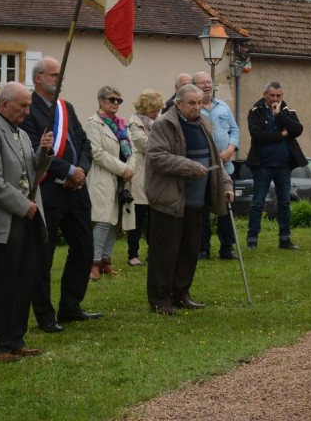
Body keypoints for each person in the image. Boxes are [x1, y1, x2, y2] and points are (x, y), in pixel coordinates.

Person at [0, 82, 53, 363]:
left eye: (29, 105)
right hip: (5, 220)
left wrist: (43, 152)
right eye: (23, 106)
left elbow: (33, 173)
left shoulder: (21, 134)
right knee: (1, 283)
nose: (28, 111)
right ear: (5, 104)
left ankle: (15, 340)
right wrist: (23, 206)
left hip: (28, 218)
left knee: (23, 281)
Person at [21, 57, 102, 333]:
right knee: (43, 255)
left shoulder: (65, 107)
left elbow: (84, 143)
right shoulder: (27, 109)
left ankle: (71, 306)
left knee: (84, 247)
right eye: (53, 75)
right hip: (48, 190)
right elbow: (33, 149)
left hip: (76, 190)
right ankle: (45, 315)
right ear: (38, 79)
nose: (58, 79)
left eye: (60, 75)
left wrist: (80, 170)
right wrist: (67, 170)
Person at [144, 84, 234, 315]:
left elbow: (214, 158)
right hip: (170, 198)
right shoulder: (164, 124)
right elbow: (157, 157)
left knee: (189, 250)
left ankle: (181, 294)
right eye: (192, 103)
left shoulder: (203, 124)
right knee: (165, 252)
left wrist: (225, 184)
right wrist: (191, 167)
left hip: (196, 200)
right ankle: (160, 300)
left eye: (199, 103)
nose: (197, 107)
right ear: (179, 103)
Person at [245, 81, 306, 250]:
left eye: (278, 96)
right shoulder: (255, 112)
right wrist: (281, 134)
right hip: (262, 165)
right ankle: (252, 239)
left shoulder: (288, 111)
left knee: (285, 202)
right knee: (258, 202)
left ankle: (285, 239)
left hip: (283, 166)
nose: (275, 99)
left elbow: (297, 130)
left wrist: (279, 116)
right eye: (272, 95)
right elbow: (257, 136)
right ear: (265, 94)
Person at [84, 85, 136, 280]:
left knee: (115, 221)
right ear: (101, 101)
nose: (116, 104)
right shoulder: (94, 123)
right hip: (103, 177)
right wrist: (123, 169)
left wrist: (130, 167)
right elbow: (96, 153)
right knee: (103, 220)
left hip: (122, 179)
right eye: (112, 100)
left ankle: (106, 261)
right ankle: (94, 262)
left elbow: (132, 151)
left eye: (118, 101)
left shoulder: (122, 125)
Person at [194, 71, 240, 261]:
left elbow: (235, 131)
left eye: (209, 82)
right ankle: (203, 249)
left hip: (225, 167)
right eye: (203, 83)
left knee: (226, 208)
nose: (207, 86)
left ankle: (227, 248)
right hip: (204, 167)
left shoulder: (223, 107)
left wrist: (230, 149)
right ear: (194, 86)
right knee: (203, 210)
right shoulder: (194, 109)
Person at [126, 90, 163, 266]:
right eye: (153, 111)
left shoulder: (159, 122)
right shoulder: (133, 123)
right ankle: (132, 254)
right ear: (144, 109)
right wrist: (162, 144)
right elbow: (142, 144)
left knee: (155, 219)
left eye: (158, 110)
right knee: (138, 218)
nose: (156, 114)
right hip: (140, 176)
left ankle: (153, 251)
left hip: (156, 176)